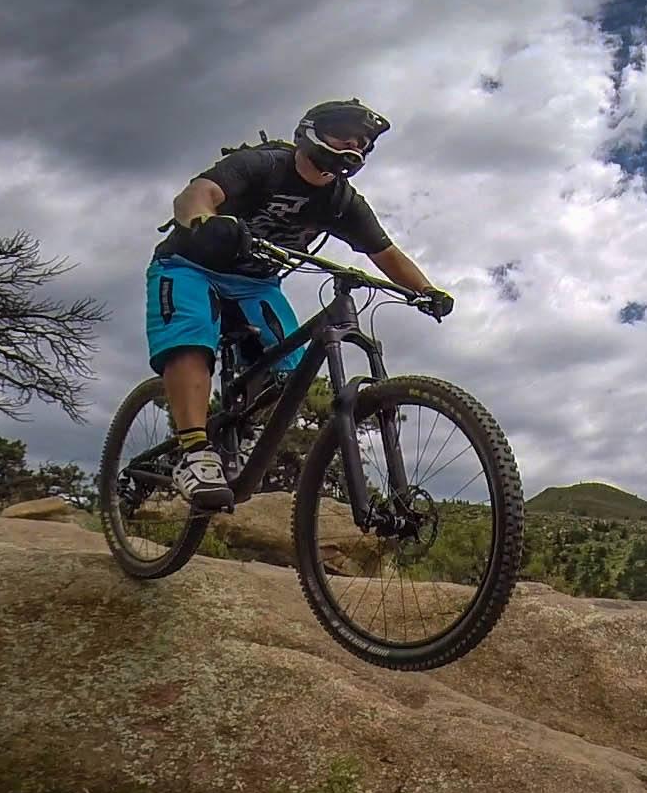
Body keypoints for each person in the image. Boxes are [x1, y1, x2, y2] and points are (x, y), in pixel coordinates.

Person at [146, 97, 453, 512]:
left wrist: (427, 290)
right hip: (188, 265)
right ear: (311, 131)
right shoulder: (265, 165)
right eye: (343, 135)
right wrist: (205, 222)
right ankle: (195, 452)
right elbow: (194, 196)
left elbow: (385, 252)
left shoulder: (342, 201)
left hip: (256, 283)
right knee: (192, 336)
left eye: (361, 142)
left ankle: (241, 430)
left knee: (289, 374)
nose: (352, 147)